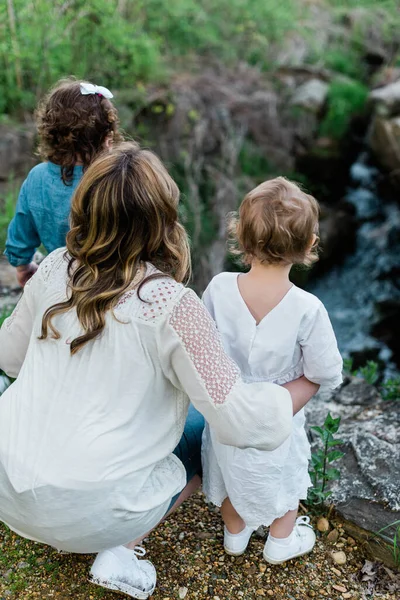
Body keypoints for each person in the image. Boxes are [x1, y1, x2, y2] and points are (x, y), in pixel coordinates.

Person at [0, 144, 296, 599]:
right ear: (161, 220)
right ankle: (121, 549)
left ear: (85, 208)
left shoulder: (55, 266)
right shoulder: (172, 303)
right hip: (96, 511)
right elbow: (241, 422)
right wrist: (289, 396)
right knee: (204, 426)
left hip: (10, 490)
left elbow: (9, 359)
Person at [201, 177, 343, 565]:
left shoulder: (218, 287)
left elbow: (202, 348)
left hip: (228, 409)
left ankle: (236, 533)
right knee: (284, 479)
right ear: (309, 244)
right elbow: (325, 370)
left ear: (240, 236)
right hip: (280, 415)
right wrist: (294, 391)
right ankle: (281, 542)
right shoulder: (307, 308)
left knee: (229, 473)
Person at [4, 78, 121, 287]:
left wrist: (23, 267)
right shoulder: (114, 178)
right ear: (105, 137)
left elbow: (20, 237)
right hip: (114, 284)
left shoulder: (37, 178)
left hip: (63, 285)